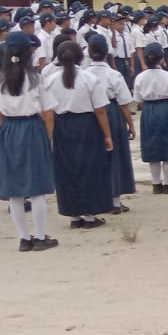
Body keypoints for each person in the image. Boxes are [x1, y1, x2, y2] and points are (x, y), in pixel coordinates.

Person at [0, 33, 58, 251]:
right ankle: (41, 236)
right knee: (37, 188)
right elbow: (49, 113)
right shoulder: (36, 79)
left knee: (14, 188)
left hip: (8, 130)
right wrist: (48, 137)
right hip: (32, 128)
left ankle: (24, 238)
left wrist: (6, 129)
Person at [47, 41, 113, 230]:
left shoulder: (50, 80)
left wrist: (50, 137)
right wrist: (107, 135)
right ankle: (90, 215)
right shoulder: (89, 79)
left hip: (62, 126)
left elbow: (49, 114)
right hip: (86, 125)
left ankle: (74, 214)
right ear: (80, 57)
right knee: (89, 168)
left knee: (67, 169)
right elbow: (100, 111)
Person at [85, 35, 136, 215]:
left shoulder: (84, 73)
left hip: (90, 115)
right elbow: (123, 102)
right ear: (107, 52)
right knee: (115, 155)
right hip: (111, 111)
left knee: (95, 155)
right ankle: (114, 201)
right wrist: (131, 124)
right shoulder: (113, 74)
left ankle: (98, 198)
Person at [135, 43, 168, 195]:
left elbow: (137, 98)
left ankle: (156, 183)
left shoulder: (140, 77)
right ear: (162, 58)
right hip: (166, 109)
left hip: (148, 109)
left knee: (152, 146)